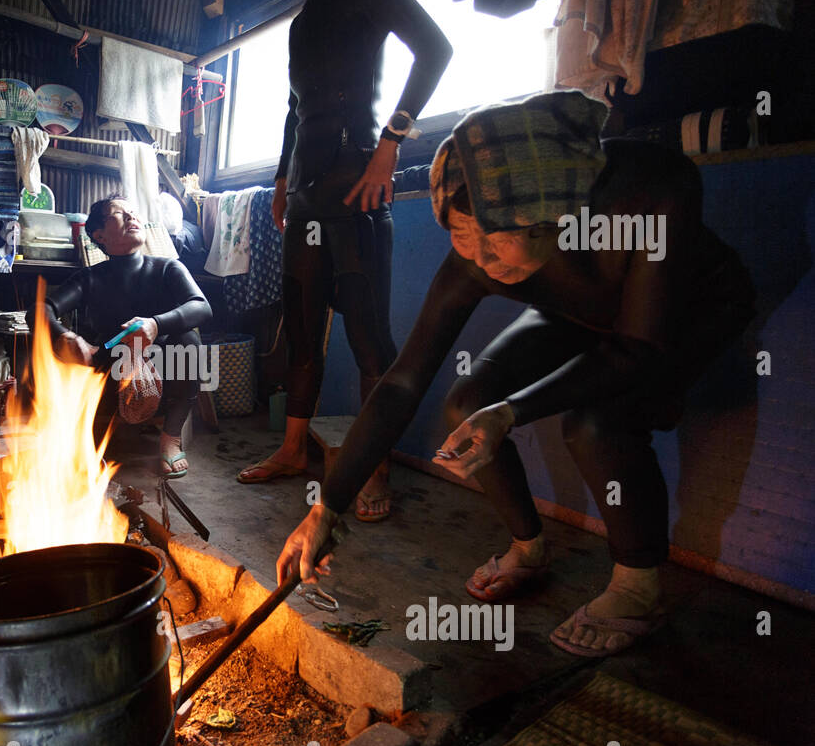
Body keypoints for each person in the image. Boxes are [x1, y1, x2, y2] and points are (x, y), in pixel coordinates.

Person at [276, 91, 755, 658]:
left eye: (498, 239)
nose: (482, 261)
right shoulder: (481, 240)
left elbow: (637, 349)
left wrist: (513, 411)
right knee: (469, 401)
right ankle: (528, 549)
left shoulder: (649, 192)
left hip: (681, 312)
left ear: (554, 212)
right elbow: (405, 377)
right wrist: (326, 505)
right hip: (577, 309)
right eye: (460, 237)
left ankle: (638, 587)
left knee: (597, 422)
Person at [237, 0, 452, 525]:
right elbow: (293, 107)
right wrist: (282, 179)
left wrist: (391, 144)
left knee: (366, 334)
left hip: (357, 185)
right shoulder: (302, 22)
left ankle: (373, 464)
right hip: (306, 195)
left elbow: (435, 49)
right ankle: (291, 449)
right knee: (302, 329)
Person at [32, 196, 212, 477]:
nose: (132, 218)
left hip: (162, 374)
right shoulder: (89, 278)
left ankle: (170, 438)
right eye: (119, 213)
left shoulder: (167, 268)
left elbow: (201, 307)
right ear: (99, 235)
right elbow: (40, 309)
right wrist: (68, 337)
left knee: (188, 341)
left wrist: (155, 325)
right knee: (58, 346)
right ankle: (76, 434)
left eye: (133, 212)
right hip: (110, 374)